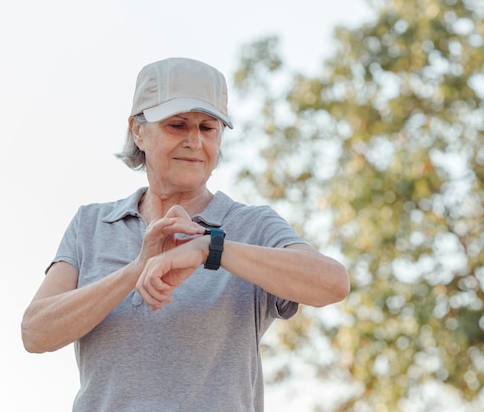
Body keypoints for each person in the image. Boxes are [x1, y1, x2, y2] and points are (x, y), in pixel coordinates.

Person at [21, 57, 350, 412]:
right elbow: (36, 332)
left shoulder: (251, 225)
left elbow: (332, 284)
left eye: (208, 128)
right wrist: (139, 268)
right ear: (138, 130)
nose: (195, 142)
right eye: (177, 125)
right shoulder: (92, 224)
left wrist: (211, 248)